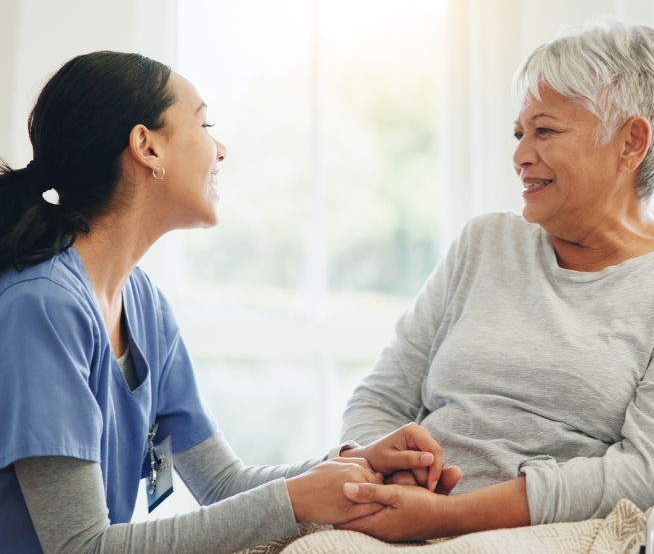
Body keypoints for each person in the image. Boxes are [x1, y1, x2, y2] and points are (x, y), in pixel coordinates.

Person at [0, 51, 458, 554]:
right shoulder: (43, 306)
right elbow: (80, 547)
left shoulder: (143, 303)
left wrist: (357, 467)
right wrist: (300, 499)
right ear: (146, 147)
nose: (219, 149)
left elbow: (221, 482)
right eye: (203, 123)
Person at [336, 19, 654, 541]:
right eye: (519, 134)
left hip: (555, 532)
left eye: (545, 131)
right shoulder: (484, 244)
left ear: (630, 142)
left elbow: (647, 470)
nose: (519, 157)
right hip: (401, 515)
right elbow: (380, 398)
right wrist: (382, 464)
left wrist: (448, 517)